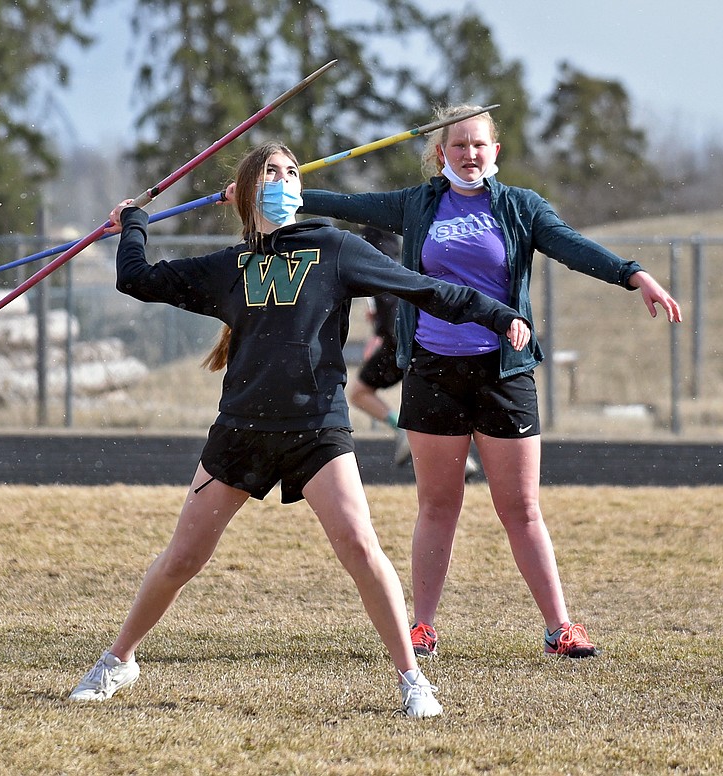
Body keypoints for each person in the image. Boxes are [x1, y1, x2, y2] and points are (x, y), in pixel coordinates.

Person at [67, 141, 533, 718]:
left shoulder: (334, 248)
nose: (286, 180)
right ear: (244, 190)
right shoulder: (228, 267)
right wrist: (132, 222)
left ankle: (412, 680)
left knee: (361, 547)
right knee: (182, 559)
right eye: (272, 171)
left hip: (317, 429)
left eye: (292, 172)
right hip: (241, 430)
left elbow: (427, 289)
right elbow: (136, 279)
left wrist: (499, 313)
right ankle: (119, 661)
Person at [300, 105, 683, 660]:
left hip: (504, 370)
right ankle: (422, 627)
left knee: (522, 508)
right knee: (437, 505)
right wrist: (275, 192)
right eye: (458, 146)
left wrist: (633, 274)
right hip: (432, 369)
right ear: (440, 153)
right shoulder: (418, 204)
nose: (470, 155)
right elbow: (342, 204)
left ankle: (559, 628)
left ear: (495, 151)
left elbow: (573, 246)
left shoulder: (520, 208)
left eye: (479, 145)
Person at [349, 227, 481, 478]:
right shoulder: (406, 266)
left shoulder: (371, 270)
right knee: (428, 407)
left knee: (362, 394)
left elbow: (390, 313)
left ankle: (407, 433)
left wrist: (384, 334)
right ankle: (448, 454)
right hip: (422, 342)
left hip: (405, 345)